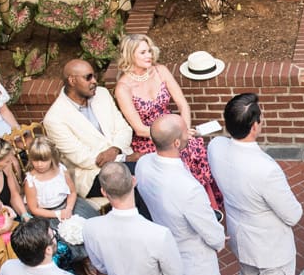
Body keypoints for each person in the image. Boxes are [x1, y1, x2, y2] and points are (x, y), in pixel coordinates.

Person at [208, 92, 303, 275]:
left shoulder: (216, 147)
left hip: (241, 235)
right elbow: (293, 215)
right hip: (271, 246)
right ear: (254, 126)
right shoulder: (265, 169)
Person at [137, 116, 225, 275]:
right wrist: (218, 233)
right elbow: (215, 237)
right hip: (196, 265)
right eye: (186, 132)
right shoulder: (188, 189)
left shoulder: (143, 165)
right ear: (176, 142)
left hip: (167, 261)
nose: (190, 134)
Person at [114, 35, 221, 209]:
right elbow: (140, 129)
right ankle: (186, 206)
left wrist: (183, 129)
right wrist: (172, 136)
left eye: (149, 50)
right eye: (143, 52)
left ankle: (209, 206)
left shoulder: (160, 70)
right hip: (150, 138)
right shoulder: (123, 88)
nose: (149, 55)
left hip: (174, 127)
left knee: (193, 146)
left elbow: (182, 104)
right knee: (178, 157)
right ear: (129, 55)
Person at [42, 58, 136, 199]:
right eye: (88, 77)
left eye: (94, 76)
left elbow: (125, 129)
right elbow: (83, 159)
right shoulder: (54, 118)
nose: (94, 81)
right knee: (135, 178)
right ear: (72, 81)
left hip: (120, 157)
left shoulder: (102, 94)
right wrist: (123, 158)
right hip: (91, 174)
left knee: (149, 168)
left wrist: (115, 149)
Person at [22, 135, 99, 230]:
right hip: (47, 215)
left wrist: (69, 209)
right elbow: (34, 209)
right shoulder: (31, 181)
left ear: (51, 157)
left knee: (91, 226)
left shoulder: (61, 170)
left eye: (44, 160)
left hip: (67, 206)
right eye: (35, 160)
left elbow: (72, 192)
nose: (39, 164)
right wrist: (57, 214)